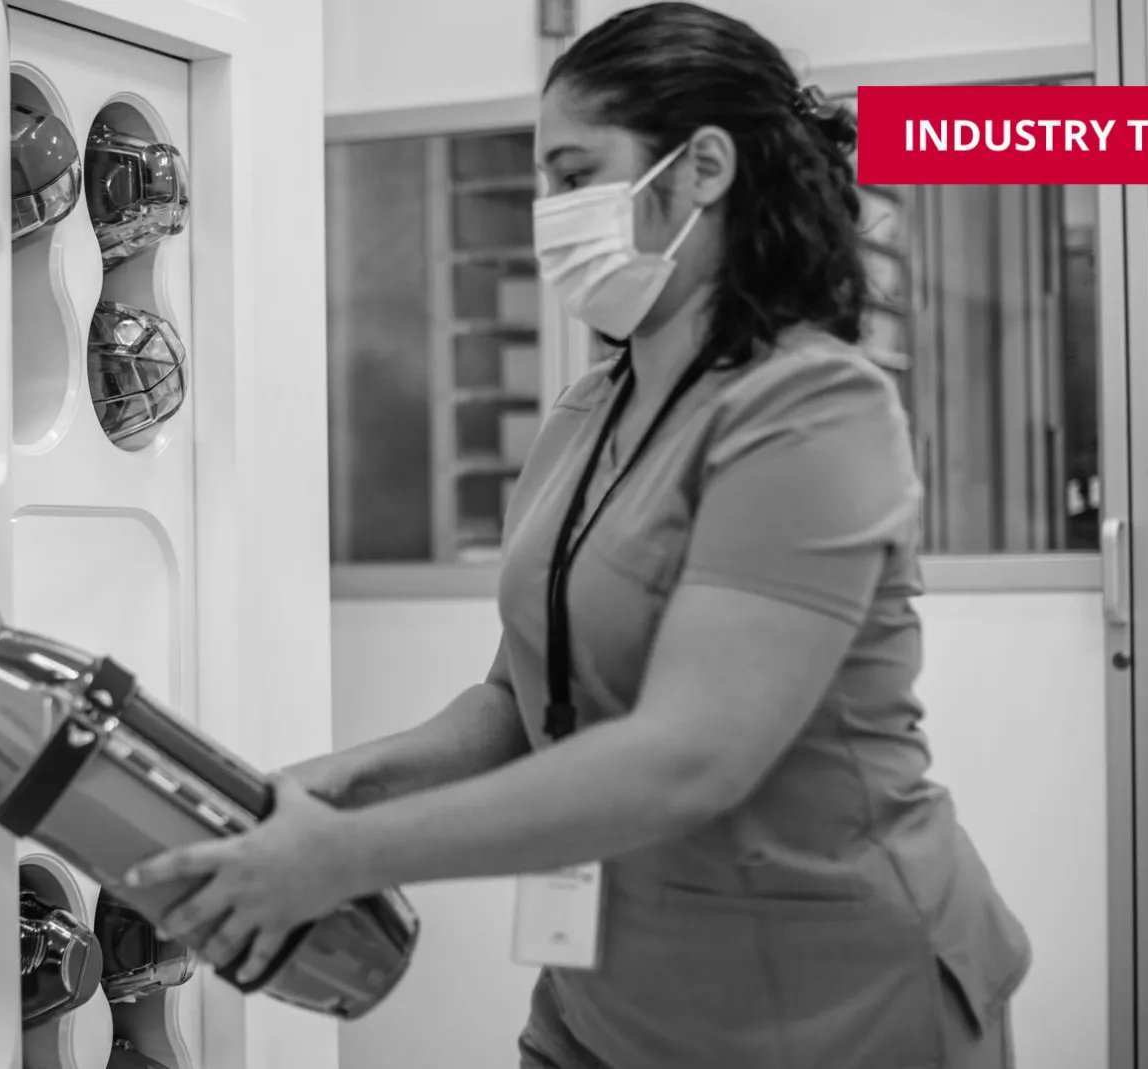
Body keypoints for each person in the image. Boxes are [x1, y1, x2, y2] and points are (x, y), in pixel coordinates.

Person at [124, 4, 1032, 1066]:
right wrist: (328, 789)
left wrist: (345, 856)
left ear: (700, 168)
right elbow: (520, 698)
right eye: (542, 181)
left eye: (573, 174)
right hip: (612, 992)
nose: (545, 211)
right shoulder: (587, 410)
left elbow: (686, 758)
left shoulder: (812, 410)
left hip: (831, 999)